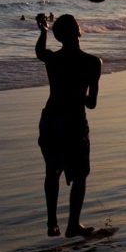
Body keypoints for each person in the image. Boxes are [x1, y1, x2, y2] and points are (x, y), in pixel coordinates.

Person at [35, 13, 101, 238]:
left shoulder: (53, 59)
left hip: (51, 119)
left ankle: (52, 222)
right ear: (79, 31)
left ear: (59, 37)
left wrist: (43, 31)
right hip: (73, 122)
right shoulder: (93, 62)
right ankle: (73, 224)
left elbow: (40, 53)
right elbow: (91, 103)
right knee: (80, 175)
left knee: (52, 171)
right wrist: (76, 93)